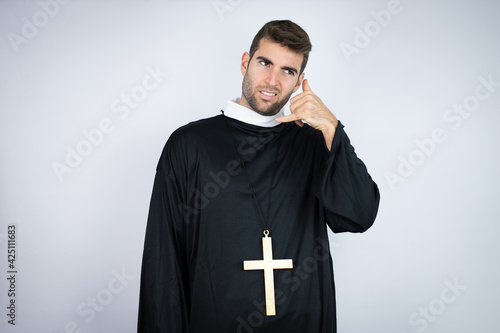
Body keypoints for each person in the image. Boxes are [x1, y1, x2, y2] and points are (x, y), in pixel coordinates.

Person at [138, 20, 380, 333]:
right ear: (245, 63)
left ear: (299, 81)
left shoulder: (313, 142)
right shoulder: (190, 145)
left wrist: (332, 128)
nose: (272, 80)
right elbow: (164, 263)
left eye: (287, 71)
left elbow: (359, 215)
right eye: (265, 63)